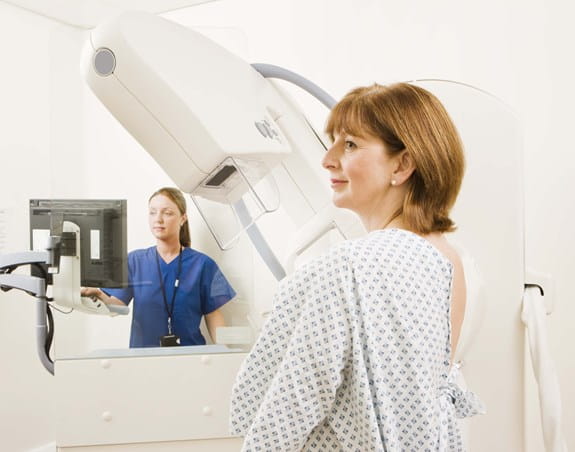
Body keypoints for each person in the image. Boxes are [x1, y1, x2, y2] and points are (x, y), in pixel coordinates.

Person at [230, 82, 484, 451]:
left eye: (350, 144)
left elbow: (288, 412)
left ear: (403, 164)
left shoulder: (348, 267)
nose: (327, 159)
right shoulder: (446, 260)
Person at [82, 187, 236, 347]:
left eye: (167, 213)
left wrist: (227, 355)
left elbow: (214, 316)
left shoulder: (203, 264)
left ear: (183, 219)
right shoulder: (134, 261)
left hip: (190, 359)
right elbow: (117, 307)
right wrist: (99, 296)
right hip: (144, 360)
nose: (158, 219)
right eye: (153, 212)